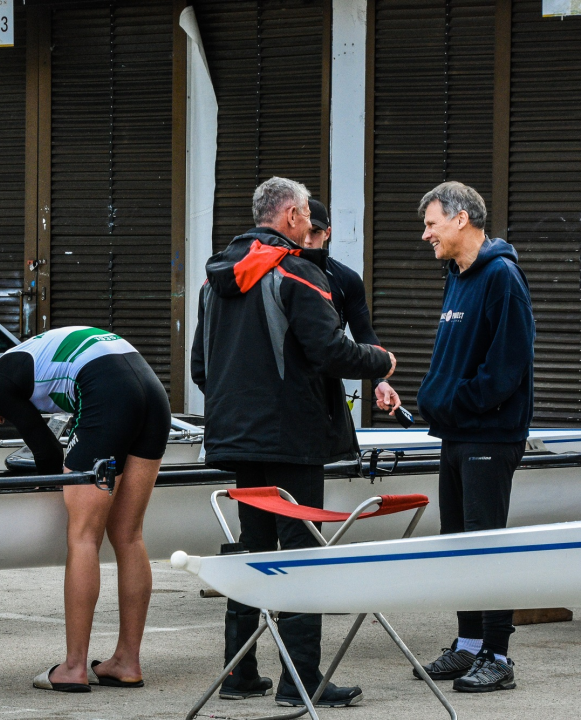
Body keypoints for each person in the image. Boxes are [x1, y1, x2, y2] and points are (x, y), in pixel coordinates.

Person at [190, 177, 395, 708]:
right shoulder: (296, 270)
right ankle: (301, 682)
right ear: (290, 217)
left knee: (252, 552)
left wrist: (238, 409)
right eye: (306, 214)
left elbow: (199, 367)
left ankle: (238, 675)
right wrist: (381, 362)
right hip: (293, 439)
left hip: (236, 438)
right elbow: (329, 351)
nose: (311, 223)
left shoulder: (213, 279)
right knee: (301, 557)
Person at [0, 326, 170, 692]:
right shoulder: (31, 359)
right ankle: (126, 662)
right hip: (151, 391)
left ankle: (73, 668)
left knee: (84, 537)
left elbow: (47, 451)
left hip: (108, 389)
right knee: (129, 536)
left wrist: (44, 485)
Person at [414, 181, 534, 693]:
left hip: (489, 432)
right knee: (459, 545)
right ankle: (467, 647)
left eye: (432, 224)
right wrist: (432, 398)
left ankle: (499, 656)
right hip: (457, 433)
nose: (426, 235)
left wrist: (451, 401)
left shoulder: (502, 276)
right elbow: (454, 358)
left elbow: (506, 368)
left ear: (462, 219)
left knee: (487, 547)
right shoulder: (455, 275)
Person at [303, 199, 402, 417]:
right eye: (304, 232)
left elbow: (364, 332)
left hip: (326, 390)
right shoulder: (276, 275)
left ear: (327, 233)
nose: (308, 240)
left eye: (316, 232)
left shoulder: (345, 279)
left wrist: (380, 380)